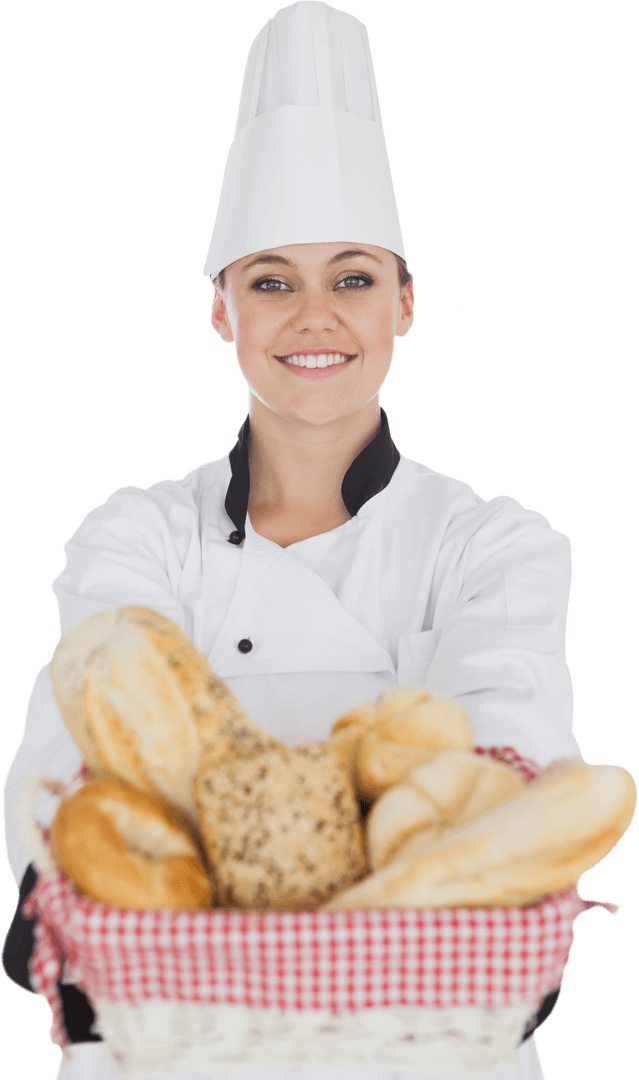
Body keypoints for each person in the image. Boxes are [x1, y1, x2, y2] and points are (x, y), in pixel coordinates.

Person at [3, 3, 583, 1078]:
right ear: (222, 311)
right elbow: (68, 757)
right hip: (167, 1047)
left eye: (353, 278)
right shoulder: (134, 538)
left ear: (406, 302)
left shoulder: (494, 547)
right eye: (270, 281)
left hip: (427, 1051)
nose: (314, 317)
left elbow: (518, 737)